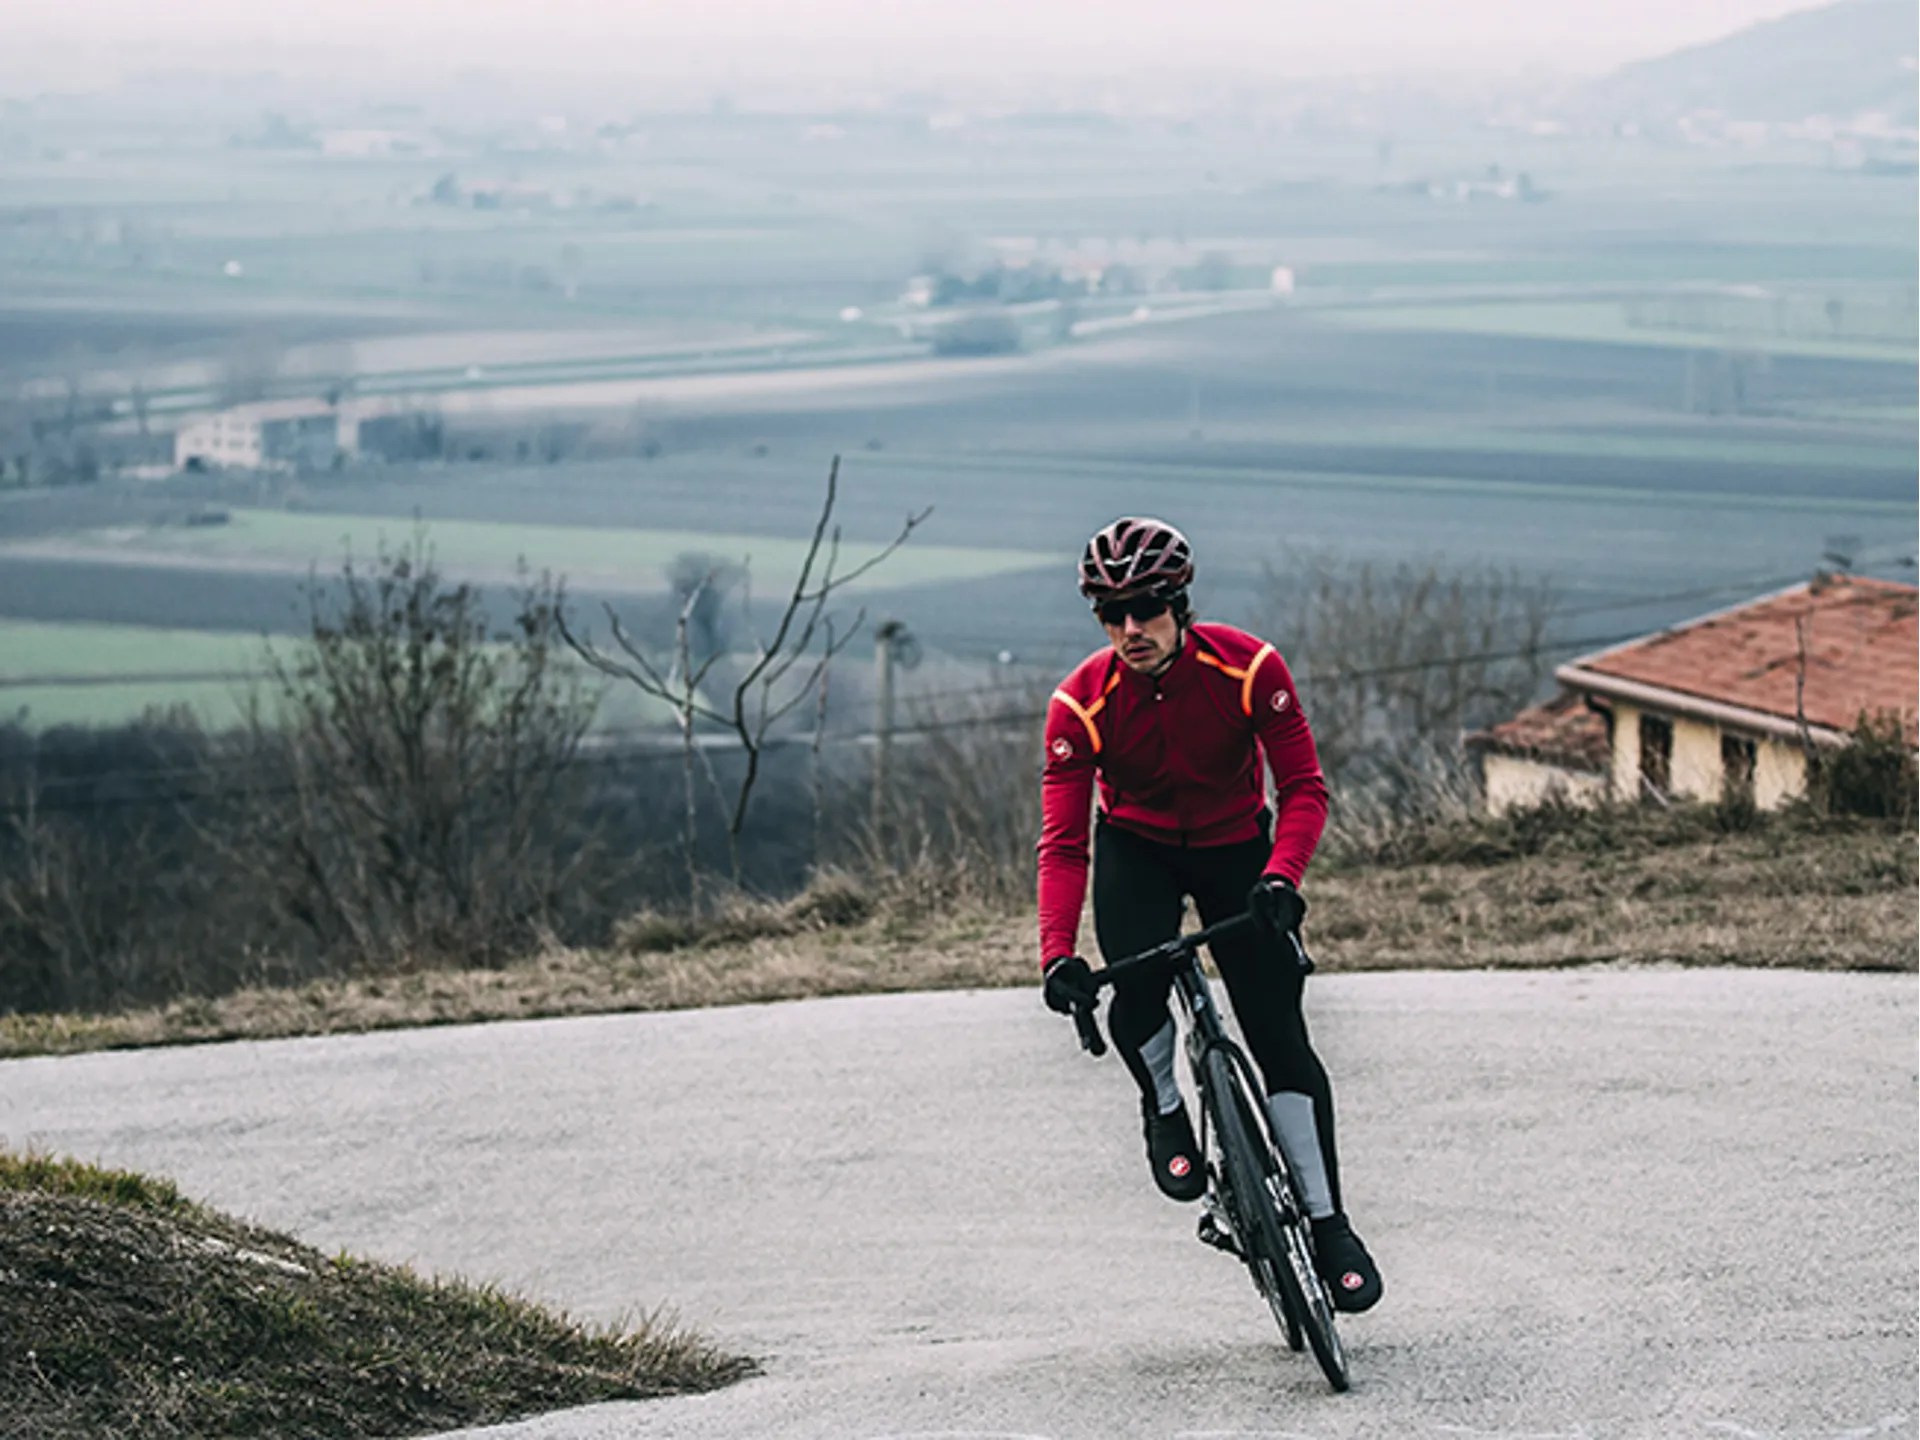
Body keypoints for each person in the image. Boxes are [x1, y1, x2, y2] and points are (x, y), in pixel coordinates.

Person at [1036, 515, 1382, 1313]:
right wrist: (1057, 954)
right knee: (1136, 989)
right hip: (1138, 852)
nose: (1131, 629)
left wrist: (1282, 877)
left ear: (1180, 605)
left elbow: (1303, 789)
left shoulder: (1249, 669)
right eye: (1111, 614)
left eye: (1147, 608)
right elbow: (1064, 844)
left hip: (1238, 851)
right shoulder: (1079, 706)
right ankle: (1165, 1104)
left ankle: (1329, 1225)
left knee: (1279, 1036)